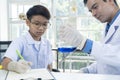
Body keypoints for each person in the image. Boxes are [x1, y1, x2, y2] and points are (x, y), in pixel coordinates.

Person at [59, 0, 120, 75]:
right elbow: (106, 62)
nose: (93, 14)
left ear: (110, 1)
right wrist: (87, 70)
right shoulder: (108, 26)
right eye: (91, 11)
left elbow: (117, 56)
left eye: (95, 7)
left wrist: (84, 43)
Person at [1, 5, 53, 73]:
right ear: (28, 22)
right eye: (37, 24)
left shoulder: (47, 43)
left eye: (45, 24)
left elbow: (49, 66)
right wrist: (15, 66)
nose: (41, 28)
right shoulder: (19, 41)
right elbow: (4, 63)